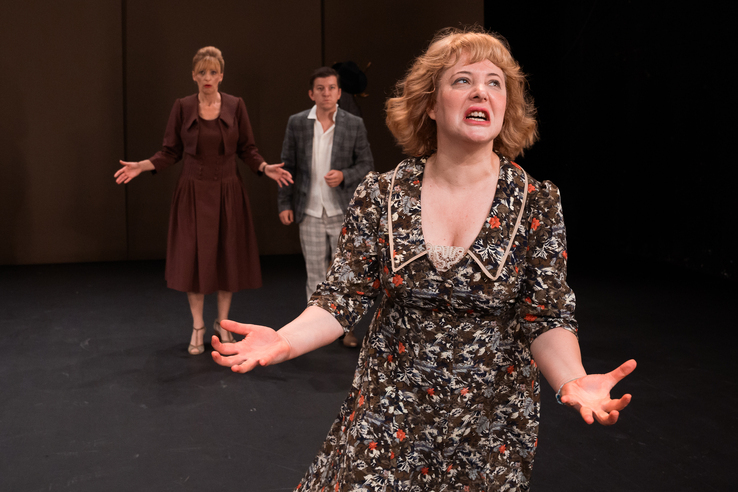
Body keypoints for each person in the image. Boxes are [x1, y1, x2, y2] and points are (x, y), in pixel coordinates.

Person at [211, 28, 636, 490]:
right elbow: (341, 297)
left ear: (506, 106)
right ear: (430, 104)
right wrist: (284, 341)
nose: (481, 91)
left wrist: (572, 379)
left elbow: (546, 316)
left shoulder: (536, 202)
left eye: (494, 83)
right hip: (387, 413)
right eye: (462, 80)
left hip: (488, 427)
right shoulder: (382, 194)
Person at [114, 46, 292, 356]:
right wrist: (141, 166)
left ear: (221, 75)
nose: (207, 77)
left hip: (228, 191)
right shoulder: (183, 107)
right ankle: (198, 325)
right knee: (192, 260)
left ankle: (222, 323)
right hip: (193, 193)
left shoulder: (236, 105)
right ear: (193, 76)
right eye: (202, 72)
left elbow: (247, 149)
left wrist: (265, 168)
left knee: (227, 257)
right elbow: (170, 151)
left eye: (213, 72)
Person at [277, 67, 374, 347]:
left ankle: (346, 328)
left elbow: (367, 164)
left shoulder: (353, 123)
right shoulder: (298, 123)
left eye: (331, 88)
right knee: (315, 273)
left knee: (345, 273)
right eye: (320, 88)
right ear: (312, 93)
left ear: (339, 92)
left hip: (342, 211)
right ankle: (314, 331)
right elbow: (287, 166)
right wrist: (284, 202)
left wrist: (344, 175)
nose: (326, 93)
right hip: (309, 209)